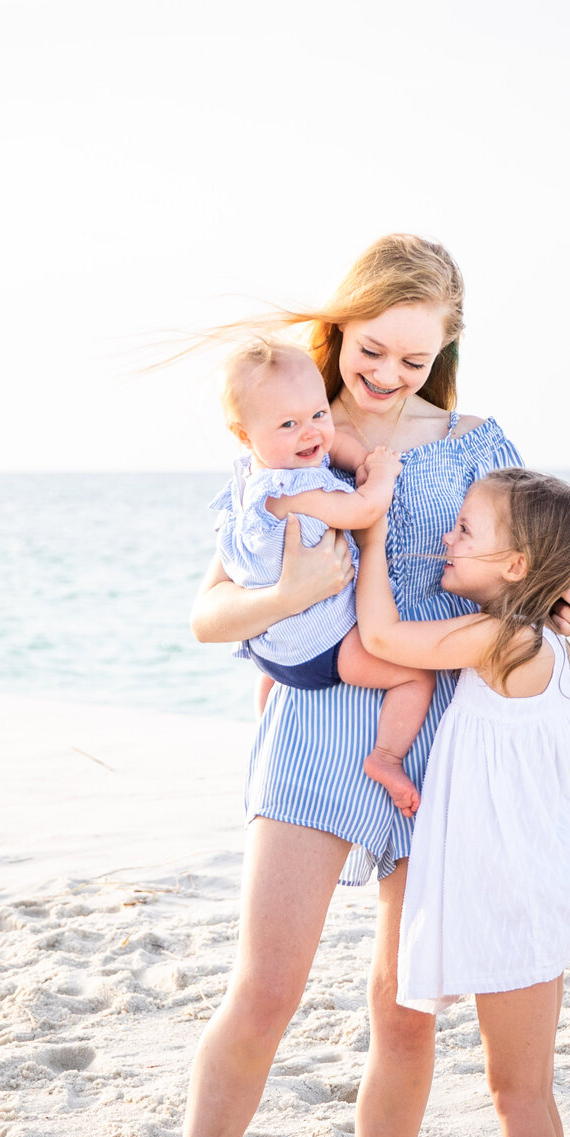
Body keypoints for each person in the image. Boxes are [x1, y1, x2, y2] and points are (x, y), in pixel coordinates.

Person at [163, 233, 570, 1137]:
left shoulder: (480, 439)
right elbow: (208, 610)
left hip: (436, 739)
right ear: (345, 323)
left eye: (414, 358)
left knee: (404, 1009)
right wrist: (278, 603)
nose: (388, 375)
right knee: (263, 991)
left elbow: (524, 559)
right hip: (314, 724)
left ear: (442, 349)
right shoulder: (293, 426)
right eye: (374, 348)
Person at [353, 468, 570, 1137]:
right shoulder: (547, 645)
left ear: (518, 564)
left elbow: (385, 636)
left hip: (515, 887)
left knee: (516, 1087)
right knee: (528, 1082)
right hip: (536, 876)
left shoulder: (502, 639)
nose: (449, 540)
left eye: (466, 530)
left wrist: (374, 526)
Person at [210, 335, 434, 815]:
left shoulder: (252, 479)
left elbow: (335, 446)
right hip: (324, 646)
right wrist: (383, 471)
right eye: (289, 424)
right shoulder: (291, 490)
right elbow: (363, 510)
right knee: (415, 677)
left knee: (274, 688)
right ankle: (387, 757)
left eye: (318, 415)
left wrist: (349, 452)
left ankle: (265, 722)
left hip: (272, 657)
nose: (311, 433)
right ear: (245, 434)